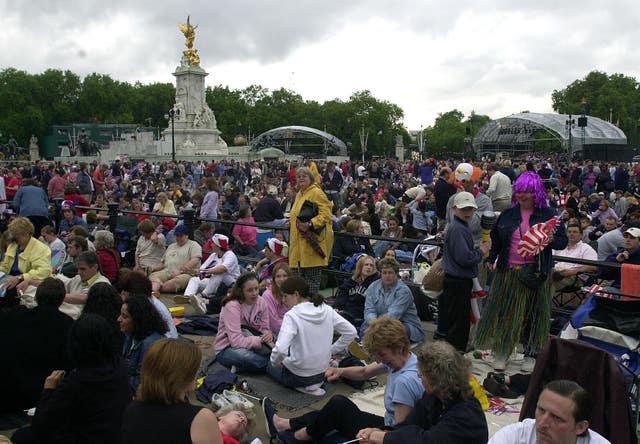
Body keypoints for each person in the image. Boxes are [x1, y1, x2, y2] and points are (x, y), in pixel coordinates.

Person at [265, 318, 424, 441]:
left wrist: (374, 435)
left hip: (390, 434)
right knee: (337, 408)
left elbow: (400, 433)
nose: (379, 360)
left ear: (399, 346)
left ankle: (297, 437)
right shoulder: (406, 359)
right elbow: (364, 372)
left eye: (381, 355)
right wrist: (339, 370)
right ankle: (286, 425)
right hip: (390, 426)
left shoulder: (405, 381)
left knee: (337, 407)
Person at [476, 172, 567, 371]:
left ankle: (531, 353)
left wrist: (551, 239)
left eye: (526, 192)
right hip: (508, 272)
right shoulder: (508, 214)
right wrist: (491, 258)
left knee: (534, 314)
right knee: (505, 314)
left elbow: (563, 241)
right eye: (519, 191)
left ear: (536, 192)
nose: (521, 195)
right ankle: (501, 352)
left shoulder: (548, 214)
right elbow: (497, 240)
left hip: (536, 273)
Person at [11, 314, 132, 444]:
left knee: (21, 436)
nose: (119, 319)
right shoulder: (119, 367)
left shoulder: (76, 383)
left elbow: (41, 427)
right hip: (115, 435)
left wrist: (49, 389)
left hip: (85, 436)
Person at [354, 341, 487, 444]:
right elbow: (409, 425)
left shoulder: (466, 414)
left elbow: (428, 441)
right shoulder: (433, 397)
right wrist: (382, 432)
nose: (419, 375)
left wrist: (384, 438)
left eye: (422, 374)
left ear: (437, 379)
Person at [122, 338, 224, 444]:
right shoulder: (200, 419)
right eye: (195, 368)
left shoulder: (132, 410)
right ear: (183, 375)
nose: (197, 372)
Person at [267, 275, 356, 395]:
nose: (283, 300)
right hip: (322, 373)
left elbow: (280, 349)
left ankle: (301, 386)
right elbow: (351, 332)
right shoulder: (326, 309)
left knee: (269, 364)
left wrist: (276, 362)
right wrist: (331, 350)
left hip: (300, 376)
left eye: (285, 296)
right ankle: (312, 386)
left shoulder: (291, 316)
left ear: (296, 295)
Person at [0, 278, 73, 414]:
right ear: (62, 300)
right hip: (42, 393)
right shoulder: (68, 326)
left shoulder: (15, 316)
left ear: (37, 297)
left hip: (9, 387)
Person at [437, 192, 491, 352]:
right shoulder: (459, 229)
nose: (468, 212)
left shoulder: (457, 226)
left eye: (470, 209)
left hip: (455, 280)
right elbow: (464, 258)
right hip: (458, 281)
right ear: (455, 209)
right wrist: (481, 250)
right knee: (459, 321)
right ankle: (456, 351)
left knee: (456, 319)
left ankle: (454, 350)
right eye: (464, 209)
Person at [489, 380, 610, 444]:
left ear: (580, 427)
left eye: (556, 418)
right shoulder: (514, 436)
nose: (542, 424)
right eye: (541, 410)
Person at [288, 166, 334, 294]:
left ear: (311, 178)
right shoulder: (299, 194)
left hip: (311, 245)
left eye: (304, 176)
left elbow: (326, 214)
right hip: (297, 248)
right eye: (298, 176)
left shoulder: (316, 192)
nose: (301, 178)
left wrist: (310, 223)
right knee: (298, 285)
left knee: (311, 285)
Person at [361, 258, 425, 344]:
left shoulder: (403, 291)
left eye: (390, 273)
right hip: (378, 323)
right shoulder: (373, 287)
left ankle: (371, 348)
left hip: (403, 323)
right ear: (380, 274)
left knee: (389, 332)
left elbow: (393, 315)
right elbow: (369, 310)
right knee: (365, 326)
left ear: (396, 274)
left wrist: (375, 326)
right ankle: (364, 346)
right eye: (384, 273)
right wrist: (373, 323)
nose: (387, 276)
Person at [118, 294, 168, 392]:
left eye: (124, 316)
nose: (118, 319)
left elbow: (141, 383)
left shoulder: (150, 345)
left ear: (137, 320)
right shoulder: (130, 333)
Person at [0, 217, 52, 310]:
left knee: (10, 294)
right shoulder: (13, 245)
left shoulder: (41, 249)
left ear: (27, 234)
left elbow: (44, 271)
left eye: (17, 236)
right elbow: (5, 266)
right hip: (9, 279)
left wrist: (21, 277)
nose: (14, 238)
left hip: (27, 282)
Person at [186, 234, 241, 315]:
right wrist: (196, 271)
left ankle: (203, 296)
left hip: (231, 284)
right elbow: (203, 269)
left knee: (219, 272)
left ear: (218, 246)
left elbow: (222, 268)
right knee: (194, 280)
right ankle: (188, 297)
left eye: (213, 243)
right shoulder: (213, 255)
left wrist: (205, 271)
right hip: (215, 283)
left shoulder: (230, 255)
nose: (211, 245)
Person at [119, 270, 179, 339]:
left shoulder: (144, 307)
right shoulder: (148, 300)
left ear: (133, 292)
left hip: (164, 343)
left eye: (125, 291)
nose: (122, 293)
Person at [149, 224, 202, 294]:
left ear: (187, 235)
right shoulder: (171, 246)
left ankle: (156, 289)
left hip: (186, 274)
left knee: (176, 281)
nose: (178, 238)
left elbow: (195, 260)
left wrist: (180, 272)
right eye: (177, 235)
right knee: (153, 276)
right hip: (168, 271)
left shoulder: (194, 245)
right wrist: (153, 268)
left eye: (181, 236)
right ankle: (154, 292)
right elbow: (162, 263)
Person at [334, 255, 379, 327]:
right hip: (346, 312)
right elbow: (342, 297)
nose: (369, 267)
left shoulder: (376, 283)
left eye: (371, 265)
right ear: (360, 267)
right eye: (366, 265)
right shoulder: (351, 281)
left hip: (362, 317)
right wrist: (336, 308)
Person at [552, 223, 598, 291]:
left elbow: (593, 267)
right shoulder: (560, 246)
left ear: (581, 235)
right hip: (554, 272)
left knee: (547, 284)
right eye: (569, 232)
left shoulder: (586, 248)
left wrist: (571, 272)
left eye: (575, 232)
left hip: (574, 277)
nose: (571, 234)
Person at [261, 262, 292, 334]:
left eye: (285, 276)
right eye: (278, 276)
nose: (282, 279)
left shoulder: (294, 292)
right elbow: (274, 324)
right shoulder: (268, 295)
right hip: (276, 333)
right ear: (274, 279)